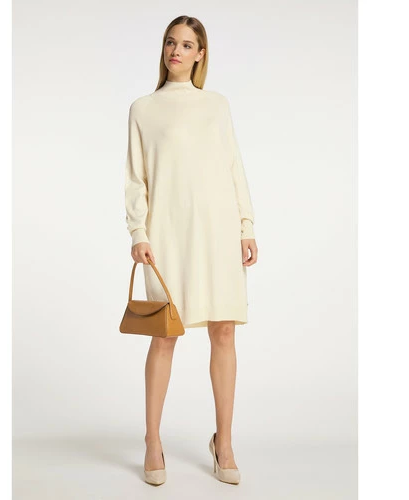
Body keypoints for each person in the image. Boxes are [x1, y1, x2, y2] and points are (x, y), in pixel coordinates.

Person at [124, 15, 258, 485]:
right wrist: (139, 233)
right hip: (167, 236)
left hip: (218, 231)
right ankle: (152, 440)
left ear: (200, 54)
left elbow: (233, 166)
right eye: (170, 42)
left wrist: (246, 225)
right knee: (164, 335)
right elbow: (136, 178)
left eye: (186, 45)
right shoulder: (143, 109)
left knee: (224, 331)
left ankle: (224, 443)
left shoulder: (216, 105)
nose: (175, 51)